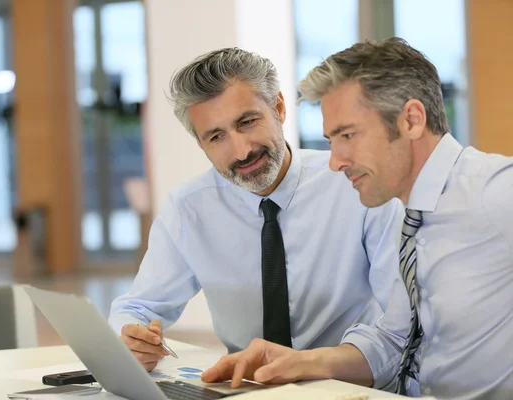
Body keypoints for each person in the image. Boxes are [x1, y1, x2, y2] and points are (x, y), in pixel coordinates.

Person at [202, 38, 513, 400]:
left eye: (348, 135)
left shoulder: (494, 192)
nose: (335, 162)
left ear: (411, 120)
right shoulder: (408, 217)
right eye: (332, 140)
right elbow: (394, 338)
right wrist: (300, 362)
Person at [108, 47, 404, 373]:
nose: (242, 151)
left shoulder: (356, 186)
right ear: (201, 144)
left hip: (348, 386)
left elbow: (400, 323)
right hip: (249, 387)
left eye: (247, 122)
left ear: (278, 107)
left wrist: (310, 366)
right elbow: (138, 306)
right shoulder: (189, 208)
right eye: (216, 137)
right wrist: (133, 339)